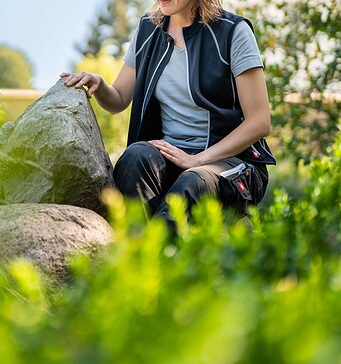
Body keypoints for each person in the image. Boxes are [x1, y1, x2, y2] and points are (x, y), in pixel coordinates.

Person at [61, 0, 275, 228]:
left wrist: (197, 160)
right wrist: (100, 84)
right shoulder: (147, 29)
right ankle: (145, 252)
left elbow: (259, 122)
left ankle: (154, 257)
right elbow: (119, 100)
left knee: (192, 182)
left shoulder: (233, 31)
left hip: (231, 162)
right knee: (134, 158)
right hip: (172, 155)